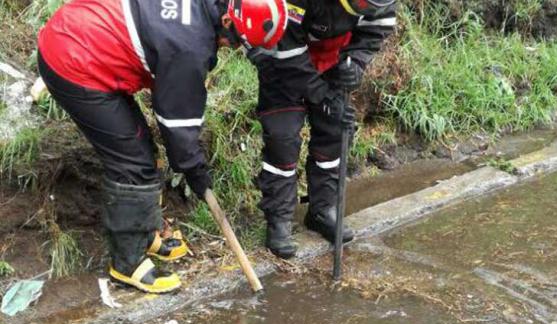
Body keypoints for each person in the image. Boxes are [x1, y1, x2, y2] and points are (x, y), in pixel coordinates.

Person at [37, 0, 287, 293]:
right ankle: (127, 264)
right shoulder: (189, 46)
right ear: (228, 22)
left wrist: (190, 162)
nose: (229, 48)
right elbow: (177, 126)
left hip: (84, 30)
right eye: (232, 42)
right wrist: (196, 171)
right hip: (76, 59)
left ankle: (144, 232)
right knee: (133, 164)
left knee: (143, 148)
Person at [248, 0, 396, 258]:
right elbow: (286, 45)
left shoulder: (381, 3)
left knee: (334, 132)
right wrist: (321, 97)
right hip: (282, 60)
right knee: (282, 140)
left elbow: (377, 27)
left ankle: (322, 210)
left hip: (333, 61)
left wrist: (355, 63)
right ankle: (279, 221)